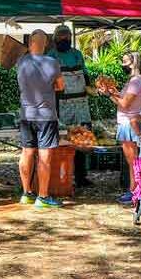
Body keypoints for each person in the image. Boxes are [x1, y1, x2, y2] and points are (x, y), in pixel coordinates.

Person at [17, 29, 64, 210]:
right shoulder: (53, 62)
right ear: (46, 44)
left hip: (26, 115)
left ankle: (26, 193)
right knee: (45, 155)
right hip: (46, 116)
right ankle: (43, 196)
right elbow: (60, 86)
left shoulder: (20, 62)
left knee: (26, 152)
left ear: (30, 44)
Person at [48, 25, 97, 188]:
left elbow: (85, 73)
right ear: (55, 38)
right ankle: (62, 175)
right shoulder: (51, 56)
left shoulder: (77, 54)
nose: (65, 39)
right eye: (61, 36)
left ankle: (81, 176)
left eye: (67, 36)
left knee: (81, 138)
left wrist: (90, 87)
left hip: (80, 104)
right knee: (63, 139)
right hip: (61, 104)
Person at [111, 51, 141, 205]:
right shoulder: (133, 80)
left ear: (134, 63)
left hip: (128, 123)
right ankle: (134, 190)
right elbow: (123, 99)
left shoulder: (135, 82)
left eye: (125, 62)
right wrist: (112, 92)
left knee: (133, 162)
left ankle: (135, 191)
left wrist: (109, 95)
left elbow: (125, 104)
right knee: (132, 161)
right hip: (128, 122)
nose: (123, 65)